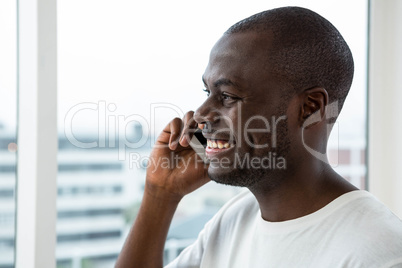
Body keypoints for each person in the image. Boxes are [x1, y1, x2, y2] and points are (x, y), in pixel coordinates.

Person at [116, 6, 402, 268]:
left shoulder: (378, 252)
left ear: (310, 108)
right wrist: (161, 195)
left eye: (227, 96)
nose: (201, 114)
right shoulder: (234, 219)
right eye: (208, 93)